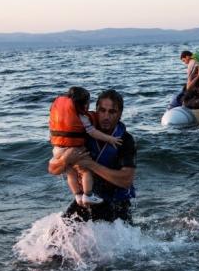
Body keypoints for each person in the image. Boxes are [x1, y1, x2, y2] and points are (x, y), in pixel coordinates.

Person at [49, 90, 137, 223]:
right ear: (95, 111)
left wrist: (90, 164)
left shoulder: (125, 140)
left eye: (112, 112)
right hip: (87, 200)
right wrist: (65, 159)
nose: (106, 116)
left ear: (120, 114)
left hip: (116, 203)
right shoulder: (82, 135)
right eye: (102, 110)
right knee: (56, 238)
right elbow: (53, 169)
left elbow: (126, 180)